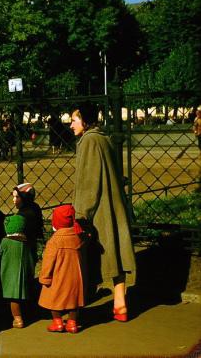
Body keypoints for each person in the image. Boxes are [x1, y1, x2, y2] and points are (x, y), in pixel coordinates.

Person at [70, 103, 136, 322]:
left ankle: (79, 308)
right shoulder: (104, 138)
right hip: (113, 203)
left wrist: (81, 213)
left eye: (74, 120)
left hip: (100, 210)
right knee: (115, 253)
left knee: (92, 255)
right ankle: (121, 304)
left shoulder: (88, 141)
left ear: (84, 121)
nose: (71, 125)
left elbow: (89, 181)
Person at [39, 205, 85, 334]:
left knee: (52, 297)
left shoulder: (54, 241)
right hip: (76, 277)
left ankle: (57, 322)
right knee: (74, 299)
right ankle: (72, 323)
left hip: (58, 276)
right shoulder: (77, 237)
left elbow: (48, 261)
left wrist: (45, 277)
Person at [0, 215, 35, 329]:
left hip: (10, 275)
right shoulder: (26, 242)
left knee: (14, 298)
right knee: (20, 296)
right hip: (24, 274)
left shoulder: (5, 241)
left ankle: (18, 319)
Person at [13, 183, 44, 265]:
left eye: (17, 197)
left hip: (24, 250)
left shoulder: (23, 215)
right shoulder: (35, 207)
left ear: (25, 198)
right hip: (33, 246)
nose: (13, 200)